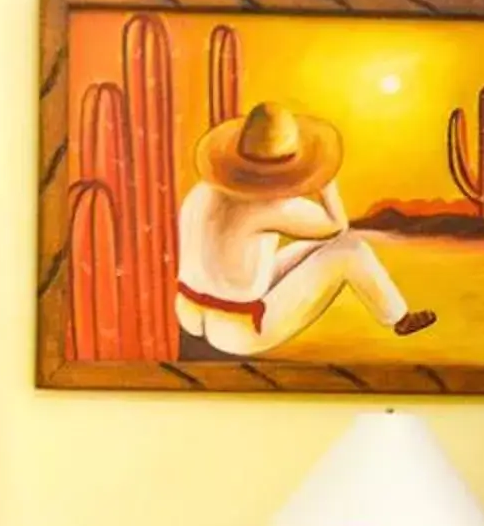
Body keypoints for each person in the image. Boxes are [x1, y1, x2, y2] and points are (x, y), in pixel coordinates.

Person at [174, 100, 437, 358]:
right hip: (240, 332)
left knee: (313, 249)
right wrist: (325, 181)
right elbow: (336, 226)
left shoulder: (202, 192)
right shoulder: (268, 205)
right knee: (351, 249)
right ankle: (398, 317)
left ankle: (396, 313)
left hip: (190, 316)